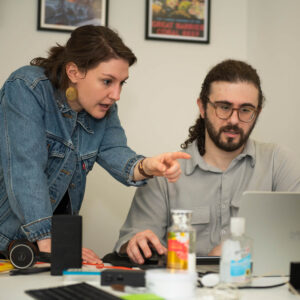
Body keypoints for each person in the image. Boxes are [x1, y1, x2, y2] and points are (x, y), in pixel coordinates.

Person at [0, 25, 190, 263]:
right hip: (10, 239)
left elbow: (115, 151)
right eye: (108, 81)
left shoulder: (104, 109)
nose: (116, 94)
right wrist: (51, 244)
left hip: (47, 246)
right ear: (74, 72)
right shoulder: (28, 87)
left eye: (122, 83)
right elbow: (25, 168)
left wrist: (147, 166)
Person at [114, 59, 300, 264]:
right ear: (202, 108)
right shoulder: (164, 172)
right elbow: (131, 241)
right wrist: (136, 243)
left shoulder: (279, 163)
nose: (234, 120)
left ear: (258, 113)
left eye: (246, 110)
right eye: (224, 107)